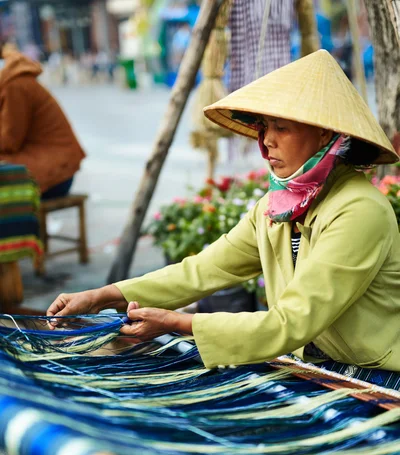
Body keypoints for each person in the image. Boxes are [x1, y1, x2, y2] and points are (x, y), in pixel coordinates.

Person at [47, 50, 400, 372]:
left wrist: (178, 323)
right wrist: (101, 296)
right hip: (317, 365)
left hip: (377, 371)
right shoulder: (276, 208)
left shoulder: (359, 211)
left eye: (282, 127)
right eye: (263, 126)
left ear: (324, 134)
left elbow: (290, 323)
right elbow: (202, 271)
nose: (266, 141)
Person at [0, 47, 86, 199]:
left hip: (56, 174)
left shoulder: (14, 85)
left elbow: (9, 142)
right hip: (47, 165)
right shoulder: (10, 79)